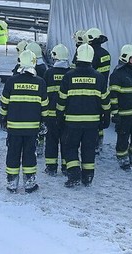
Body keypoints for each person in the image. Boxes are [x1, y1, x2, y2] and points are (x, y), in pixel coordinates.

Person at [57, 43, 109, 188]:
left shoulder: (68, 76)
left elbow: (62, 99)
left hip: (72, 122)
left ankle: (73, 175)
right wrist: (106, 116)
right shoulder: (99, 77)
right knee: (88, 149)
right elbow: (105, 100)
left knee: (70, 147)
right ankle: (88, 177)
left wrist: (59, 116)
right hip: (92, 123)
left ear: (77, 56)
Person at [0, 50, 48, 193]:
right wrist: (43, 122)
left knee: (13, 153)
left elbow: (4, 104)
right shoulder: (40, 83)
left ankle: (12, 183)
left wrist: (3, 119)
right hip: (32, 128)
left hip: (14, 128)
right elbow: (44, 107)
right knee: (29, 154)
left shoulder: (11, 81)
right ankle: (29, 183)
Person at [109, 44, 132, 170]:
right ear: (125, 58)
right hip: (124, 114)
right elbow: (113, 96)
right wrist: (115, 113)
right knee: (123, 137)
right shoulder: (117, 74)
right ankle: (123, 159)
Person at [42, 44, 72, 176]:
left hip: (51, 115)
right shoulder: (71, 74)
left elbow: (43, 94)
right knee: (66, 141)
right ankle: (66, 167)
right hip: (67, 115)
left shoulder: (48, 73)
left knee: (51, 141)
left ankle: (51, 167)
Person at [86, 27, 112, 153]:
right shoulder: (106, 54)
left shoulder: (89, 53)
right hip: (102, 89)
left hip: (89, 90)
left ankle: (91, 143)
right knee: (99, 116)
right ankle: (99, 143)